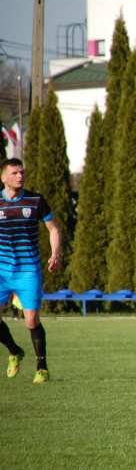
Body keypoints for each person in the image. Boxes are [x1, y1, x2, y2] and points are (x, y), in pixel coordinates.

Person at [0, 158, 62, 384]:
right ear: (3, 177)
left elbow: (53, 228)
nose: (20, 176)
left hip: (28, 270)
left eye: (22, 172)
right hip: (1, 270)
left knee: (31, 320)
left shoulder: (35, 200)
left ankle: (42, 367)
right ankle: (15, 351)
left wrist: (55, 253)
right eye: (14, 173)